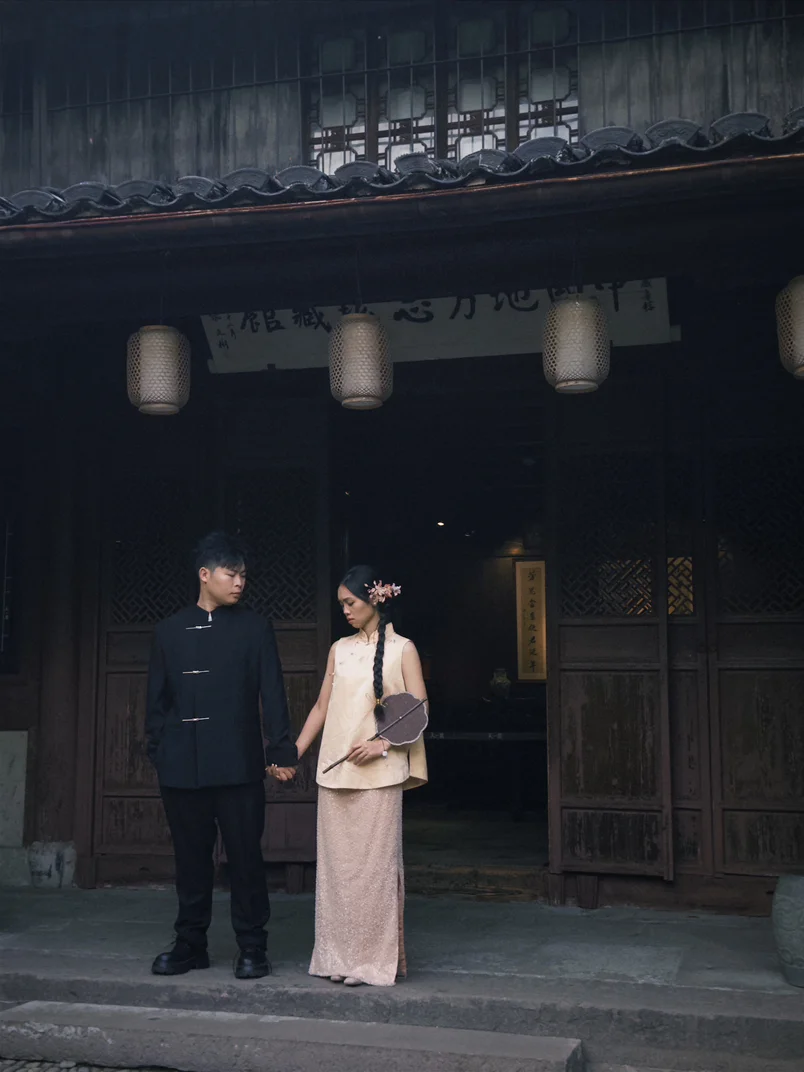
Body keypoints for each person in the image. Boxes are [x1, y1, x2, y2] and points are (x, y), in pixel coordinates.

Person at [145, 531, 297, 979]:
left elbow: (273, 693)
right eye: (231, 574)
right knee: (190, 860)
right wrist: (160, 749)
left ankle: (253, 946)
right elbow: (156, 701)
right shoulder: (169, 631)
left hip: (237, 764)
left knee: (246, 858)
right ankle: (190, 944)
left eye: (243, 575)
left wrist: (281, 750)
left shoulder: (255, 628)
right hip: (181, 766)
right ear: (204, 575)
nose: (239, 583)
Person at [293, 564, 428, 987]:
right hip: (336, 772)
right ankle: (337, 956)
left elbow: (419, 709)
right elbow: (321, 707)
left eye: (350, 603)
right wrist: (293, 753)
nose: (345, 611)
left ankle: (370, 961)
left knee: (374, 874)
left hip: (380, 775)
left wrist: (381, 744)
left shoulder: (403, 649)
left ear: (375, 599)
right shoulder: (339, 648)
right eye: (342, 605)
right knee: (337, 875)